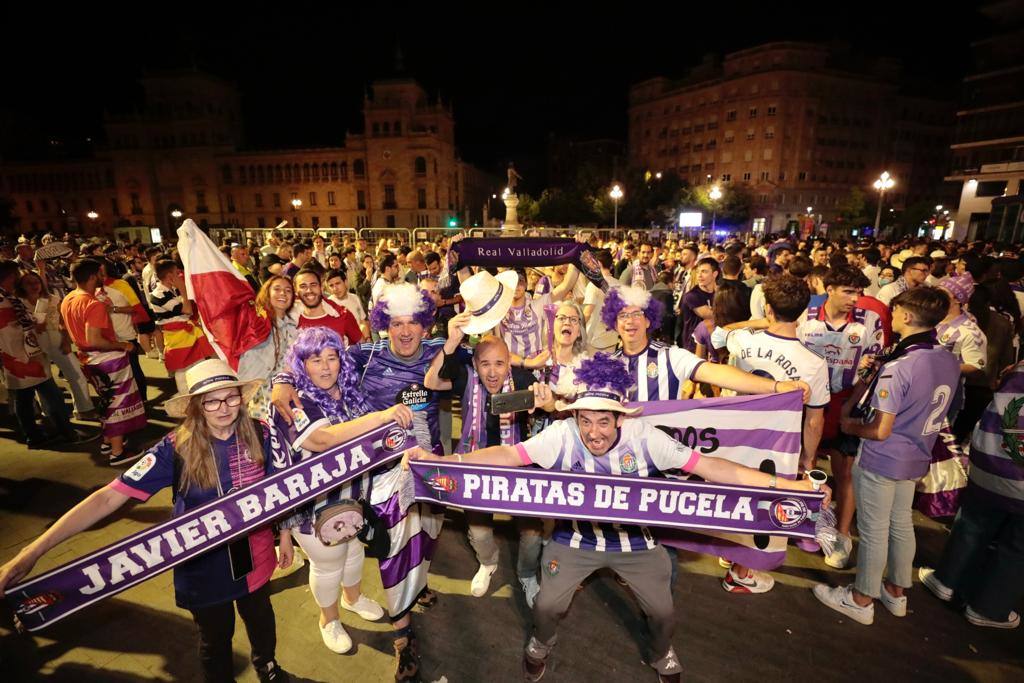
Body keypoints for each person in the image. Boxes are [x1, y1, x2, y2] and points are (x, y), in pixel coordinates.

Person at [406, 353, 829, 683]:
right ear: (575, 417)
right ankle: (541, 642)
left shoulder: (647, 439)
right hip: (576, 542)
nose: (594, 433)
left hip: (637, 545)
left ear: (621, 418)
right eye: (585, 420)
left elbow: (717, 470)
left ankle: (660, 650)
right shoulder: (562, 434)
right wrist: (449, 462)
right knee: (548, 605)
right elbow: (507, 455)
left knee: (664, 613)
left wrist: (794, 489)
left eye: (604, 422)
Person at [0, 359, 292, 682]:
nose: (224, 408)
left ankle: (267, 666)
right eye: (211, 400)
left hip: (257, 558)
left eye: (231, 397)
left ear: (241, 396)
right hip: (204, 570)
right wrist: (31, 554)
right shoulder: (175, 448)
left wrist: (288, 534)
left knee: (262, 619)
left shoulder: (261, 433)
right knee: (215, 641)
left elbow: (281, 487)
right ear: (195, 406)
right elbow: (107, 498)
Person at [813, 287, 960, 626]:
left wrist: (850, 428)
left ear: (907, 316)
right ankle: (896, 591)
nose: (891, 318)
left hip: (883, 457)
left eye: (895, 313)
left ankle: (861, 598)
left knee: (875, 529)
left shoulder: (902, 365)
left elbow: (880, 429)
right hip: (916, 454)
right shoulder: (946, 358)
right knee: (900, 524)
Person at [272, 327, 411, 654]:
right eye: (315, 359)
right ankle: (328, 619)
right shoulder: (294, 400)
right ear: (301, 365)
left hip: (354, 498)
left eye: (331, 358)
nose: (325, 367)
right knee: (328, 562)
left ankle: (352, 598)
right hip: (315, 507)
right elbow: (323, 440)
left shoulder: (348, 391)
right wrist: (381, 417)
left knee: (354, 552)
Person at [711, 275, 830, 592]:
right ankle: (741, 572)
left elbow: (719, 335)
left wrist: (759, 322)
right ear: (804, 311)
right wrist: (808, 458)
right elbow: (815, 420)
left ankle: (730, 552)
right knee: (761, 502)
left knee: (732, 493)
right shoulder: (815, 363)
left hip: (732, 432)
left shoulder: (745, 341)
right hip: (776, 446)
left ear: (767, 307)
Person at [425, 311, 547, 604]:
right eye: (485, 364)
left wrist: (546, 400)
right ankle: (489, 563)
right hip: (474, 466)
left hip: (517, 465)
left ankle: (527, 574)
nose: (493, 372)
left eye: (499, 364)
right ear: (475, 365)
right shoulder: (465, 378)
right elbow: (430, 381)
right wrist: (451, 344)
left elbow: (551, 403)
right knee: (479, 532)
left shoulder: (522, 378)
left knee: (531, 533)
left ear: (509, 363)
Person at [796, 265, 891, 566]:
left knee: (844, 471)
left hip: (845, 400)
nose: (856, 298)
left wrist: (851, 403)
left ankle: (842, 534)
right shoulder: (806, 314)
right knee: (802, 462)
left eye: (859, 292)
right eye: (849, 291)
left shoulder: (869, 319)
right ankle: (800, 522)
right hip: (806, 401)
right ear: (830, 288)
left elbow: (874, 362)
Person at [918, 361, 1024, 630]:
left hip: (991, 461)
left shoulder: (1019, 368)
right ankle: (989, 608)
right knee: (1018, 548)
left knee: (973, 523)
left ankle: (946, 580)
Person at [605, 284, 811, 403]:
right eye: (622, 315)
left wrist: (776, 386)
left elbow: (717, 373)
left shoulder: (670, 356)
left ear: (648, 319)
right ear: (614, 322)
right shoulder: (604, 364)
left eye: (636, 314)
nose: (630, 321)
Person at [61, 259, 147, 464]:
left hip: (88, 359)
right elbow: (95, 340)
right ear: (92, 277)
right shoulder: (93, 304)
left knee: (107, 400)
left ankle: (108, 441)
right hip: (106, 360)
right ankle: (117, 452)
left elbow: (63, 329)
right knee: (117, 404)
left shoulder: (68, 298)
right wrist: (122, 345)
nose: (103, 276)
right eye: (100, 273)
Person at [0, 260, 90, 448]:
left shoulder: (7, 297)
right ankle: (66, 432)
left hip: (20, 357)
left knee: (25, 399)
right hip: (22, 357)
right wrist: (33, 326)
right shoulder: (4, 300)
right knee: (50, 395)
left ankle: (35, 436)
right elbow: (10, 330)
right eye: (16, 275)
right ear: (9, 277)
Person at [16, 269, 96, 419]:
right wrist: (34, 326)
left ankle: (83, 408)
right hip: (32, 344)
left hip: (56, 339)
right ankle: (50, 413)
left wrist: (66, 341)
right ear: (21, 286)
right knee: (43, 379)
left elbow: (62, 322)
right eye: (29, 283)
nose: (34, 286)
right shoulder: (19, 303)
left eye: (37, 282)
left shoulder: (52, 299)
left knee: (76, 374)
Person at [238, 275, 301, 422]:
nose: (283, 294)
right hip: (261, 394)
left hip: (288, 392)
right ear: (267, 293)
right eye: (277, 289)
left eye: (288, 291)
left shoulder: (294, 327)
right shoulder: (257, 323)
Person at [148, 259, 216, 395]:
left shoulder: (172, 290)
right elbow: (187, 310)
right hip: (176, 337)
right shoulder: (158, 295)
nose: (180, 275)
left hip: (188, 333)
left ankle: (200, 394)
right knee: (182, 369)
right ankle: (187, 400)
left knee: (198, 364)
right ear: (170, 276)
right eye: (176, 273)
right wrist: (183, 289)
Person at [292, 268, 362, 346]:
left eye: (313, 284)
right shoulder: (290, 321)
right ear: (295, 291)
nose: (309, 290)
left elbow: (362, 347)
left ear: (321, 287)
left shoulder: (342, 315)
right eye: (303, 286)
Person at [678, 257, 718, 351]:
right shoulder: (692, 296)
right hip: (693, 347)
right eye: (698, 272)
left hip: (714, 344)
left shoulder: (719, 293)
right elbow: (711, 316)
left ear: (715, 274)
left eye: (704, 272)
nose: (699, 275)